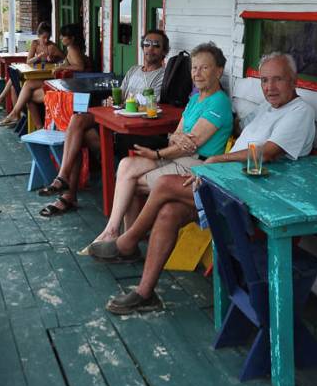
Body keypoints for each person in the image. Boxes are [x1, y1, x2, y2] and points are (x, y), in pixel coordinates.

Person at [90, 51, 316, 315]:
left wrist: (216, 159)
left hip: (253, 195)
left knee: (164, 185)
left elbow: (269, 152)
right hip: (226, 182)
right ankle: (145, 293)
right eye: (265, 80)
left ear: (294, 80)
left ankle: (127, 242)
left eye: (278, 79)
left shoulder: (300, 111)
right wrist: (199, 135)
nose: (270, 87)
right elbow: (236, 125)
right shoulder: (268, 107)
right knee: (168, 212)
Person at [89, 42, 233, 244]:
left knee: (131, 183)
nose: (197, 73)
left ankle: (126, 238)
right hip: (178, 157)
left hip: (196, 165)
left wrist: (157, 154)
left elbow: (192, 145)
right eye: (194, 67)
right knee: (126, 165)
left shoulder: (219, 101)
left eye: (204, 68)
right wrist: (176, 138)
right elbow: (176, 136)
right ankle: (113, 230)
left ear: (218, 71)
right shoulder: (195, 99)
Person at [37, 29, 170, 218]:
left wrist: (122, 104)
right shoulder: (134, 70)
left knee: (80, 136)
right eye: (147, 44)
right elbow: (121, 97)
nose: (150, 49)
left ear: (164, 51)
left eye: (156, 45)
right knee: (77, 120)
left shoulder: (162, 76)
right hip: (115, 119)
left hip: (132, 130)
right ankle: (63, 177)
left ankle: (68, 194)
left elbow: (150, 105)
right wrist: (112, 101)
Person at [0, 23, 87, 128]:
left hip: (66, 88)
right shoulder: (71, 48)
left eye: (63, 36)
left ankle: (30, 122)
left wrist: (62, 67)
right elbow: (68, 62)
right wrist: (59, 63)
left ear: (71, 38)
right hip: (63, 84)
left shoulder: (72, 49)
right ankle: (18, 115)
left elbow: (80, 67)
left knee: (27, 93)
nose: (60, 38)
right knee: (27, 87)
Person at [0, 20, 64, 110]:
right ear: (38, 35)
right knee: (14, 80)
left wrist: (54, 59)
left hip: (45, 75)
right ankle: (6, 104)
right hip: (34, 73)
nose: (46, 40)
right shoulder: (35, 44)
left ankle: (1, 99)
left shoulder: (52, 46)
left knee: (15, 82)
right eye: (44, 37)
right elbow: (28, 61)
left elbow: (65, 58)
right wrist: (38, 57)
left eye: (48, 37)